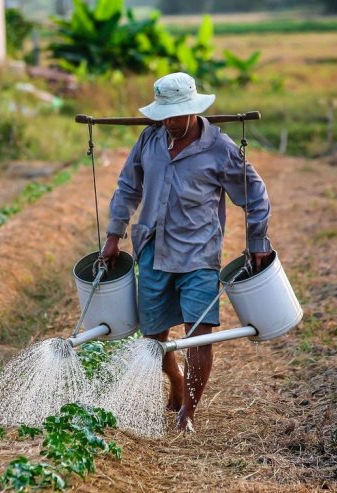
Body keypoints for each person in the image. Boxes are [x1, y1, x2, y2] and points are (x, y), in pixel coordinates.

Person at [100, 72, 272, 432]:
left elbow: (255, 195)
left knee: (199, 334)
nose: (171, 123)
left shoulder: (220, 148)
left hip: (199, 254)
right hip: (152, 249)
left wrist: (257, 242)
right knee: (153, 337)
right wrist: (114, 235)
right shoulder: (149, 140)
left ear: (194, 110)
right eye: (165, 116)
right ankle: (176, 381)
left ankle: (187, 415)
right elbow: (128, 187)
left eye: (177, 116)